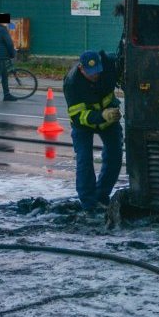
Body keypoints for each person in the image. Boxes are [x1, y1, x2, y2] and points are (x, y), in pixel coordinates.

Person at [63, 50, 123, 213]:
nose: (95, 75)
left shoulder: (110, 65)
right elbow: (78, 117)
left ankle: (102, 196)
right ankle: (88, 204)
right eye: (90, 73)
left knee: (115, 155)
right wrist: (101, 115)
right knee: (84, 160)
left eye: (97, 71)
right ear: (81, 68)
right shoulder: (72, 83)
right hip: (83, 125)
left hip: (108, 120)